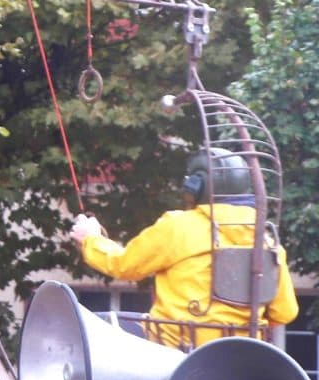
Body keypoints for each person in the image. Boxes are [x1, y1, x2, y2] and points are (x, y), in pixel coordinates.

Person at [69, 147, 298, 350]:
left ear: (196, 186)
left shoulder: (178, 227)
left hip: (174, 353)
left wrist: (91, 239)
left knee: (98, 333)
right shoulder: (267, 241)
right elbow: (285, 312)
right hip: (239, 360)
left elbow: (123, 264)